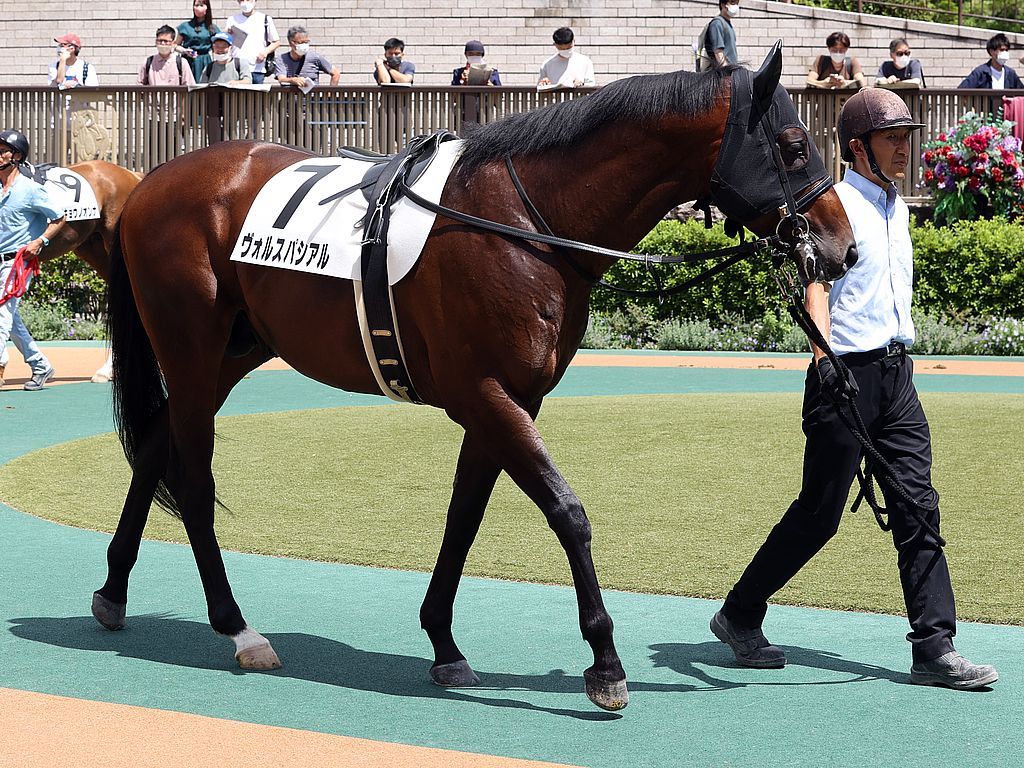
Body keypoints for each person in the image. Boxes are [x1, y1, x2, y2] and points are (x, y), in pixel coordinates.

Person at [710, 88, 999, 691]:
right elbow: (815, 286)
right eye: (892, 138)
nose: (904, 148)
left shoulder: (899, 207)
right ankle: (739, 612)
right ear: (858, 148)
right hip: (842, 377)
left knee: (918, 504)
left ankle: (934, 647)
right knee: (819, 515)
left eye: (906, 137)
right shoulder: (833, 205)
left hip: (897, 377)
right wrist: (824, 362)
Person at [0, 130, 65, 392]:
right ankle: (41, 365)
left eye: (2, 150)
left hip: (17, 262)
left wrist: (40, 242)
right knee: (11, 320)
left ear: (16, 156)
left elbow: (59, 218)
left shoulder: (30, 190)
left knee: (2, 314)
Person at [223, 0, 280, 84]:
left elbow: (276, 42)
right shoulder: (232, 19)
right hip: (237, 67)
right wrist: (226, 32)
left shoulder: (265, 19)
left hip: (256, 68)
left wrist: (265, 52)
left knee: (256, 92)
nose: (245, 2)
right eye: (242, 0)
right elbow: (225, 41)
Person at [274, 26, 340, 88]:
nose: (304, 45)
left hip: (312, 95)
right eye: (301, 42)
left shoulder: (315, 57)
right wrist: (293, 80)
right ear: (291, 43)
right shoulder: (281, 59)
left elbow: (336, 73)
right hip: (291, 95)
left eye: (306, 42)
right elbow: (281, 79)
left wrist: (329, 94)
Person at [176, 0, 221, 82]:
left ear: (207, 8)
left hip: (205, 61)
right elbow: (175, 45)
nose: (198, 8)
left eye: (201, 5)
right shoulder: (185, 26)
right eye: (196, 5)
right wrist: (184, 50)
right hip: (188, 60)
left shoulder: (212, 28)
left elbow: (217, 48)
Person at [959, 33, 1024, 89]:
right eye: (1001, 50)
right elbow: (962, 89)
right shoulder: (981, 72)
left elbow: (1021, 91)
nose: (1005, 53)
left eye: (1006, 50)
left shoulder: (1010, 73)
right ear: (991, 51)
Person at [698, 0, 740, 69]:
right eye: (732, 2)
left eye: (737, 3)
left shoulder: (727, 23)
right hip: (720, 72)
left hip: (730, 70)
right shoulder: (717, 23)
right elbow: (718, 51)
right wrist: (726, 71)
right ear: (723, 5)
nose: (735, 6)